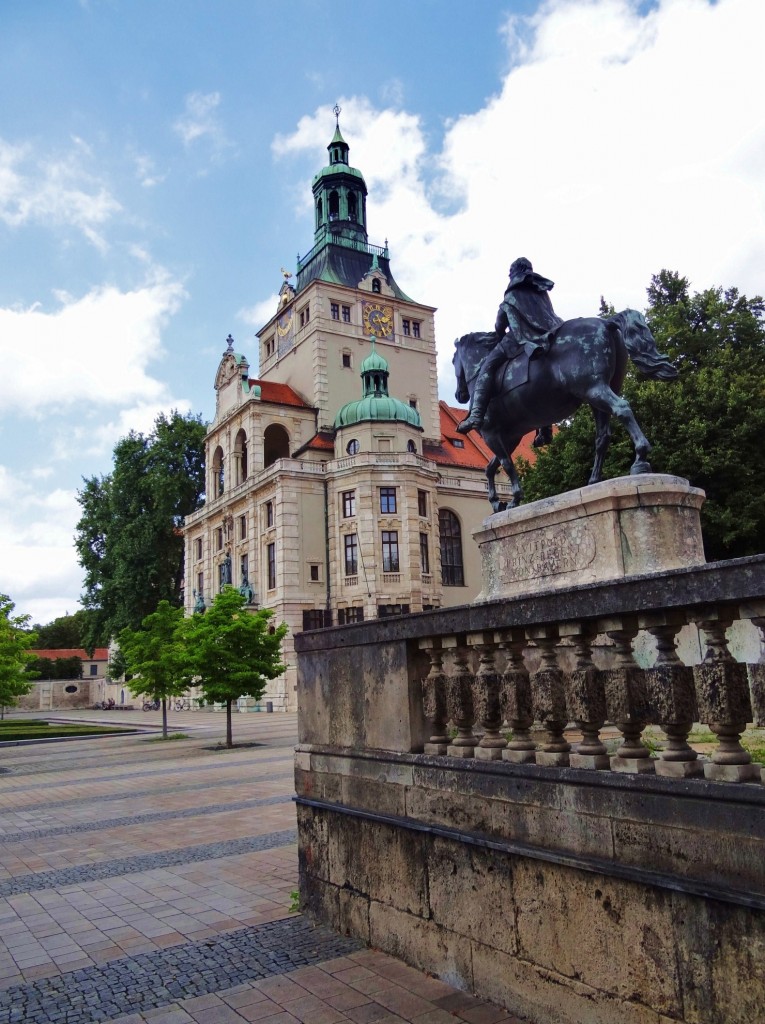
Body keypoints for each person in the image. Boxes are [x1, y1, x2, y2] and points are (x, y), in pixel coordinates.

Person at [457, 257, 563, 441]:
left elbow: (501, 323)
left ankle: (476, 415)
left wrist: (499, 332)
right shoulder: (540, 289)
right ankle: (546, 429)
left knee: (487, 368)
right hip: (550, 334)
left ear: (513, 273)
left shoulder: (513, 293)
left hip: (520, 338)